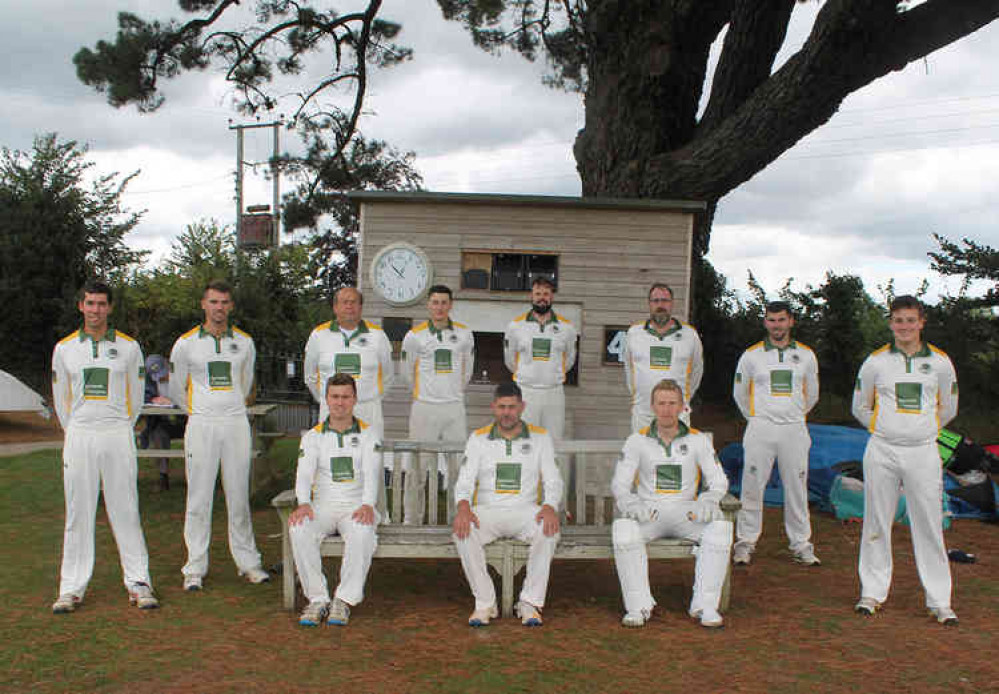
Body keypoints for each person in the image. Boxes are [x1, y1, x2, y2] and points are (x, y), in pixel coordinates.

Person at [50, 280, 158, 613]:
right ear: (80, 306)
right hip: (80, 433)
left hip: (116, 432)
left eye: (101, 304)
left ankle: (139, 582)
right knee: (78, 512)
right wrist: (80, 428)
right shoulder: (64, 348)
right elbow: (62, 402)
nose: (96, 310)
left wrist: (118, 426)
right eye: (90, 304)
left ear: (110, 308)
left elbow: (136, 398)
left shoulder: (128, 348)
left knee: (125, 508)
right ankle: (71, 588)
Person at [851, 295, 959, 625]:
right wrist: (885, 429)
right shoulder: (876, 362)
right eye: (899, 320)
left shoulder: (940, 363)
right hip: (882, 450)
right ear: (891, 323)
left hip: (923, 451)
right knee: (876, 521)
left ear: (921, 323)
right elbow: (860, 406)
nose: (905, 326)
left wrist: (921, 431)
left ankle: (940, 601)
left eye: (911, 320)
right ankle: (871, 592)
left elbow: (949, 408)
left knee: (928, 523)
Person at [170, 280, 269, 591]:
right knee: (198, 497)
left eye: (225, 302)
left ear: (231, 306)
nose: (219, 308)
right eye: (214, 302)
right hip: (201, 424)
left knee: (238, 495)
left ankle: (248, 562)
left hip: (235, 423)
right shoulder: (186, 343)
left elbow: (246, 381)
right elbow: (176, 387)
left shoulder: (245, 342)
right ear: (203, 304)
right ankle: (195, 568)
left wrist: (228, 409)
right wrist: (199, 411)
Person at [611, 379, 731, 628]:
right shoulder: (637, 440)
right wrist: (631, 503)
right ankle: (638, 606)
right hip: (649, 513)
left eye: (672, 403)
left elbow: (718, 481)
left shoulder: (698, 440)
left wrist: (708, 499)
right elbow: (620, 485)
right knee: (623, 530)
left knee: (721, 528)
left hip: (686, 513)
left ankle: (705, 606)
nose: (666, 409)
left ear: (681, 407)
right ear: (652, 406)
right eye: (661, 403)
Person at [452, 382, 564, 626]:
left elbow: (553, 479)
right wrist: (463, 506)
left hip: (525, 511)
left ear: (522, 407)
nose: (506, 412)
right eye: (502, 407)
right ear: (493, 407)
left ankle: (529, 602)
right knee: (462, 532)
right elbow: (465, 481)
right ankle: (485, 603)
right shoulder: (478, 438)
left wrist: (550, 506)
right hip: (488, 512)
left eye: (512, 407)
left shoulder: (540, 438)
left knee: (548, 531)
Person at [731, 301, 821, 566]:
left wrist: (791, 415)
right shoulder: (751, 356)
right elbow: (740, 394)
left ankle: (801, 544)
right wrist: (759, 418)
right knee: (752, 486)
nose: (776, 325)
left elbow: (812, 394)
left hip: (794, 429)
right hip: (761, 429)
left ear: (790, 321)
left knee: (796, 486)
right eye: (771, 320)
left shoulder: (806, 355)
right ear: (765, 322)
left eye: (781, 320)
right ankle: (745, 542)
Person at [289, 374, 382, 627]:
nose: (340, 403)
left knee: (363, 533)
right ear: (327, 399)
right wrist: (303, 502)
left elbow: (372, 473)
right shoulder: (313, 436)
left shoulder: (368, 434)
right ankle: (317, 598)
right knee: (299, 528)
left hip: (355, 505)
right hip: (323, 506)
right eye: (335, 397)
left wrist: (367, 504)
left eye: (345, 397)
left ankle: (344, 600)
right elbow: (304, 474)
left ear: (354, 399)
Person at [400, 285, 475, 524]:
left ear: (451, 305)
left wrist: (451, 393)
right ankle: (412, 519)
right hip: (424, 408)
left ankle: (458, 518)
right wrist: (425, 395)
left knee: (457, 468)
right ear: (428, 305)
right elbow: (406, 372)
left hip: (454, 408)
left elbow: (467, 371)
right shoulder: (414, 336)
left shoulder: (464, 334)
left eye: (444, 302)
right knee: (417, 468)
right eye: (435, 302)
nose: (440, 307)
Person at [303, 287, 393, 438]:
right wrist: (329, 402)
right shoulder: (318, 335)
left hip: (368, 410)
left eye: (354, 302)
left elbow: (388, 376)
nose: (349, 306)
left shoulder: (378, 336)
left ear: (360, 307)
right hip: (331, 412)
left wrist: (369, 398)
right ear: (335, 307)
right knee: (332, 458)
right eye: (344, 302)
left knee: (371, 458)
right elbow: (310, 376)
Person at [503, 277, 577, 439]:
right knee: (525, 441)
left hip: (554, 392)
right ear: (531, 296)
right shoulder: (515, 326)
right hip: (526, 392)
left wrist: (552, 375)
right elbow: (510, 360)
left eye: (546, 293)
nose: (542, 297)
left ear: (552, 297)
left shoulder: (567, 328)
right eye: (538, 293)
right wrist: (527, 375)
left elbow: (570, 359)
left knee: (554, 441)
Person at [622, 282, 703, 432]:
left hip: (677, 416)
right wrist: (640, 397)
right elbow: (629, 369)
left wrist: (681, 399)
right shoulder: (634, 333)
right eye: (656, 301)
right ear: (649, 304)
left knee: (676, 456)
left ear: (672, 304)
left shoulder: (689, 335)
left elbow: (697, 371)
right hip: (643, 415)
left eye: (665, 301)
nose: (660, 305)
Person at [138, 354, 184, 492]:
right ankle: (163, 477)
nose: (162, 377)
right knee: (158, 436)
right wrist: (153, 400)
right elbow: (142, 397)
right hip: (162, 421)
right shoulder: (148, 381)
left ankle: (196, 477)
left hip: (186, 421)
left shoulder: (182, 374)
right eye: (157, 376)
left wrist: (176, 403)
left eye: (163, 373)